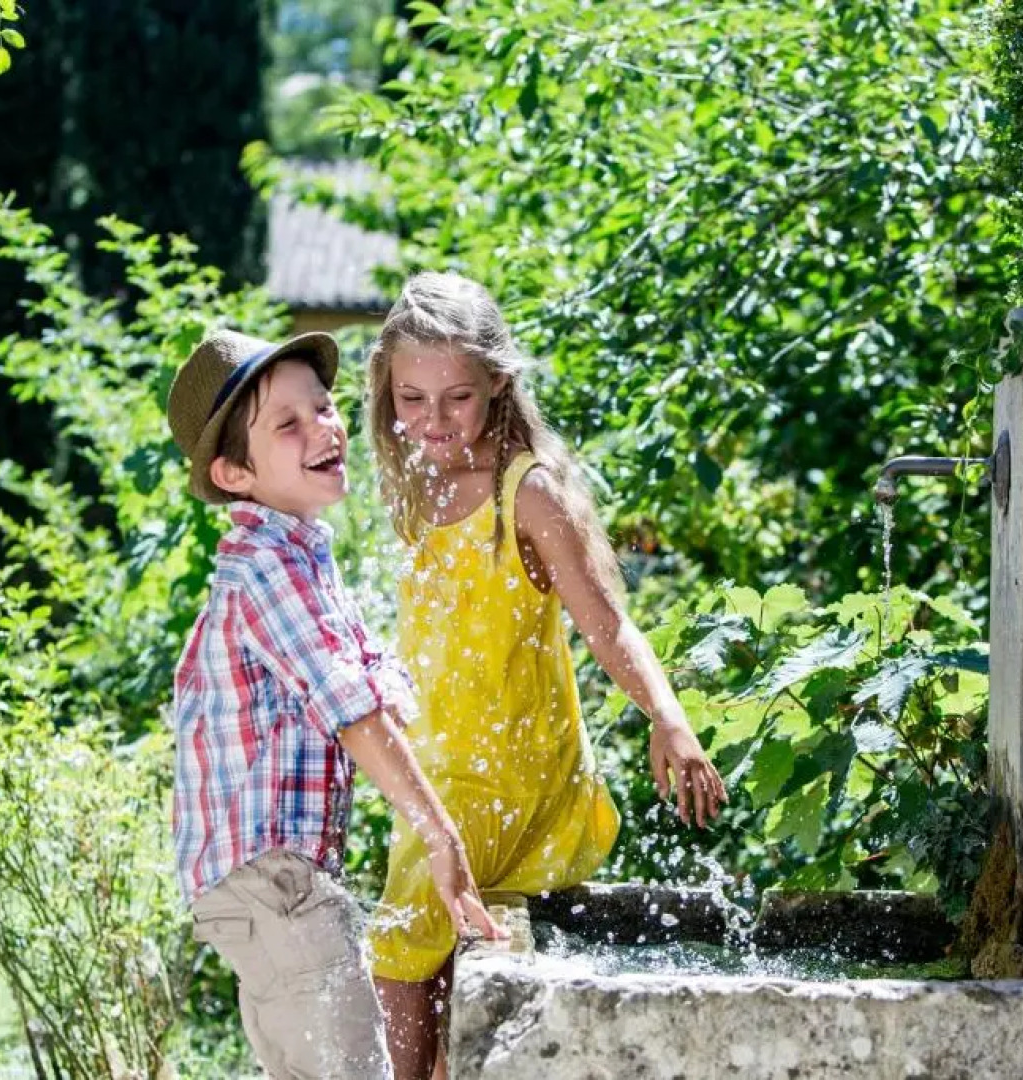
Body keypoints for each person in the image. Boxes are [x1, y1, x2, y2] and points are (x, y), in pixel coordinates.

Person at [363, 272, 730, 1079]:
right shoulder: (413, 478)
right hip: (438, 764)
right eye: (411, 399)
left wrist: (668, 719)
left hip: (507, 770)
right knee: (431, 969)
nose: (431, 421)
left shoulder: (524, 492)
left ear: (498, 381)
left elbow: (608, 623)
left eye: (455, 398)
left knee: (399, 948)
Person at [166, 328, 504, 1080]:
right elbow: (353, 712)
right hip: (272, 888)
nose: (322, 427)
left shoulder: (298, 555)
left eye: (322, 407)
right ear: (233, 473)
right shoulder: (265, 568)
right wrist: (441, 836)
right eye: (287, 424)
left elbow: (375, 690)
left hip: (271, 888)